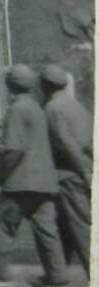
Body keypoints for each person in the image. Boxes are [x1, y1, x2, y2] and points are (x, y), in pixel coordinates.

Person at [0, 64, 69, 286]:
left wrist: (3, 172)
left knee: (0, 224)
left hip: (22, 182)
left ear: (10, 85)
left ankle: (0, 275)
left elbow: (15, 149)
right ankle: (58, 276)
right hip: (46, 181)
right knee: (47, 230)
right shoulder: (37, 107)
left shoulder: (17, 108)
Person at [39, 64, 92, 279]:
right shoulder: (74, 105)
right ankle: (56, 273)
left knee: (80, 227)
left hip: (70, 174)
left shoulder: (52, 108)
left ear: (45, 86)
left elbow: (65, 142)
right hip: (81, 169)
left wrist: (84, 171)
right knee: (65, 225)